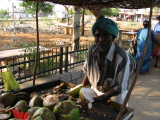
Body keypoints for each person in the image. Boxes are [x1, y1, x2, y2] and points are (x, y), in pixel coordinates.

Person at [81, 15, 130, 105]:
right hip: (96, 92)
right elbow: (88, 70)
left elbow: (120, 87)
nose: (101, 40)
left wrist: (103, 97)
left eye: (105, 35)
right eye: (97, 36)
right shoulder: (92, 50)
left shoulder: (121, 56)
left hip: (116, 96)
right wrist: (82, 87)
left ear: (113, 37)